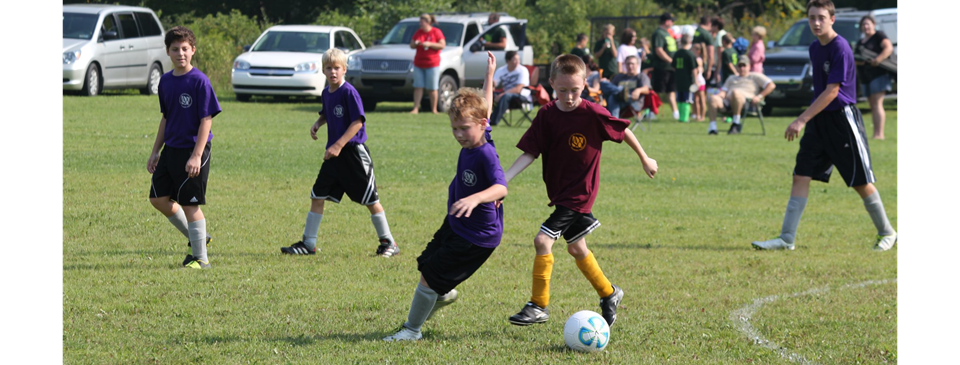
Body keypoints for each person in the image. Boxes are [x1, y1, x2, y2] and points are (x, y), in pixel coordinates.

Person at [503, 54, 658, 328]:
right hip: (560, 193)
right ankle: (610, 294)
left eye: (575, 90)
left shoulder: (593, 113)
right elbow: (531, 152)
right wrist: (504, 179)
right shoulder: (547, 115)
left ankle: (538, 304)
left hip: (579, 194)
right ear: (551, 84)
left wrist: (645, 158)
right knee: (576, 248)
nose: (570, 97)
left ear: (585, 84)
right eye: (562, 90)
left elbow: (624, 131)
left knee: (542, 241)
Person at [752, 0, 898, 252]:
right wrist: (809, 119)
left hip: (842, 120)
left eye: (821, 17)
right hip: (819, 120)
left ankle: (888, 232)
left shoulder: (840, 47)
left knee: (859, 181)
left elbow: (833, 92)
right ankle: (786, 238)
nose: (816, 22)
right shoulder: (814, 47)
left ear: (832, 19)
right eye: (811, 18)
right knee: (801, 174)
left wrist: (801, 119)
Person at [383, 52, 507, 342]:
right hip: (456, 223)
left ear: (480, 125)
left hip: (476, 235)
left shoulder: (486, 153)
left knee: (430, 276)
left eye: (464, 129)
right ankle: (442, 293)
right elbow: (485, 107)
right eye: (454, 129)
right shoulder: (481, 131)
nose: (460, 135)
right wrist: (489, 76)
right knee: (427, 264)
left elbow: (501, 187)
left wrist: (476, 198)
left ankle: (412, 331)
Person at [280, 48, 400, 258]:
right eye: (329, 68)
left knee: (370, 199)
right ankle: (308, 244)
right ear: (323, 70)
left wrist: (338, 145)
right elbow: (328, 113)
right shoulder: (326, 92)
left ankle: (389, 242)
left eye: (337, 68)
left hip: (353, 153)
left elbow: (357, 122)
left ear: (344, 69)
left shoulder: (349, 92)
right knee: (317, 195)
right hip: (334, 156)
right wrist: (318, 123)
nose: (333, 72)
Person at [147, 26, 222, 270]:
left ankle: (201, 258)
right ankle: (197, 238)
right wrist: (156, 150)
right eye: (175, 49)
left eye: (185, 49)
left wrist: (196, 155)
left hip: (193, 149)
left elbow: (206, 119)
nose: (181, 53)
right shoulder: (166, 82)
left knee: (190, 204)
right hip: (171, 149)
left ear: (193, 51)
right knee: (158, 199)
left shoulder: (200, 81)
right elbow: (166, 118)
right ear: (167, 52)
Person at [707, 58, 776, 135]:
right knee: (713, 98)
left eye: (744, 65)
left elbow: (771, 85)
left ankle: (736, 123)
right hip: (728, 102)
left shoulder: (755, 76)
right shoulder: (731, 78)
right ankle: (712, 128)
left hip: (747, 103)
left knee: (736, 93)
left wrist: (759, 96)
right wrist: (719, 95)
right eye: (740, 66)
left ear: (749, 66)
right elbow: (723, 91)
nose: (742, 68)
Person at [855, 15, 894, 140]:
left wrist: (877, 60)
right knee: (872, 104)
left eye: (868, 24)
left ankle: (879, 134)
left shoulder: (879, 36)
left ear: (873, 24)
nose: (866, 26)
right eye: (863, 25)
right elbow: (856, 59)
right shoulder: (860, 42)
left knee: (877, 103)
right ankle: (875, 133)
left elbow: (889, 48)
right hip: (866, 76)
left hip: (879, 74)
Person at [410, 13, 446, 114]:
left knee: (432, 88)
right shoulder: (419, 32)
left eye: (422, 22)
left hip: (432, 64)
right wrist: (416, 43)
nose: (420, 24)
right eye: (420, 22)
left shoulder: (436, 32)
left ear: (428, 22)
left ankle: (434, 109)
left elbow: (442, 45)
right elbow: (411, 45)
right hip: (419, 63)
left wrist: (430, 44)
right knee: (418, 87)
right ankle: (415, 108)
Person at [489, 51, 531, 126]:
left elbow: (518, 89)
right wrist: (491, 85)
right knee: (488, 94)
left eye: (518, 59)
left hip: (521, 95)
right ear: (508, 61)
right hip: (506, 95)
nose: (518, 61)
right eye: (515, 59)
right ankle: (484, 118)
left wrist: (502, 95)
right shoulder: (501, 70)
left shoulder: (523, 70)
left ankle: (493, 121)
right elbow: (494, 83)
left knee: (505, 96)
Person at [651, 13, 680, 120]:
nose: (672, 23)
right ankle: (652, 113)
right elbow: (658, 50)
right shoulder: (658, 33)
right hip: (662, 67)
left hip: (670, 68)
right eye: (671, 21)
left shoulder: (667, 33)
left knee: (671, 90)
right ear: (667, 21)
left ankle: (676, 114)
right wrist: (671, 61)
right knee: (658, 91)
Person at [672, 35, 698, 123]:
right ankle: (685, 118)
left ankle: (681, 117)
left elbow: (673, 66)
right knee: (687, 99)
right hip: (688, 81)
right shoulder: (690, 54)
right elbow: (694, 68)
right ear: (690, 42)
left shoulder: (677, 53)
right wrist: (696, 80)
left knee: (680, 99)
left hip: (678, 79)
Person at [693, 16, 716, 84]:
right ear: (709, 23)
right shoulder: (706, 34)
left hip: (694, 64)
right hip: (703, 66)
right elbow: (710, 54)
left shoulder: (696, 30)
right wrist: (709, 70)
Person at [693, 43, 708, 122]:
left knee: (701, 99)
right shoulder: (697, 58)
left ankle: (702, 116)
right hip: (697, 81)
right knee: (696, 99)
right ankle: (697, 116)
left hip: (699, 81)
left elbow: (697, 70)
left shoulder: (698, 60)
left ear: (698, 51)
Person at [711, 17, 727, 85]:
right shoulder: (723, 33)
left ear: (716, 26)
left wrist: (717, 72)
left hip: (720, 66)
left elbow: (720, 55)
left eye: (712, 25)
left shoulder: (719, 35)